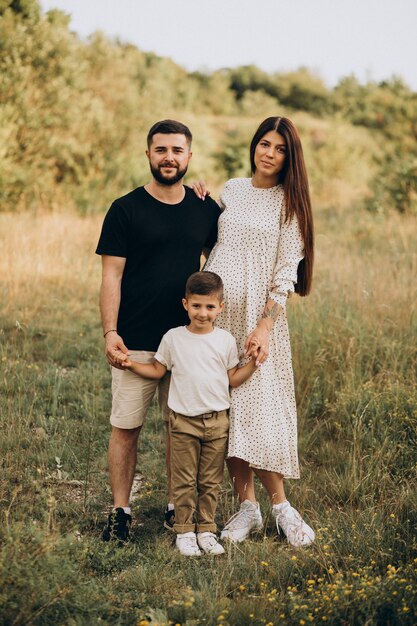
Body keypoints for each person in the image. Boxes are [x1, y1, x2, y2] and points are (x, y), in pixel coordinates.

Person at [96, 120, 221, 543]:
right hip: (135, 340)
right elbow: (111, 276)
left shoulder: (205, 209)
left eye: (177, 150)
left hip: (189, 342)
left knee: (180, 428)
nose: (169, 157)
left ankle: (176, 507)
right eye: (161, 149)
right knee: (126, 426)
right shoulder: (125, 209)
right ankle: (120, 511)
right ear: (148, 154)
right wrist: (111, 332)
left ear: (189, 156)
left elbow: (228, 256)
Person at [193, 116, 315, 547]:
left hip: (257, 321)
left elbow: (284, 276)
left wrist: (264, 326)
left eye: (280, 148)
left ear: (289, 157)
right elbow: (215, 242)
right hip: (218, 312)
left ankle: (281, 507)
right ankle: (248, 508)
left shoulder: (290, 203)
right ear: (254, 146)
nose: (269, 153)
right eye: (264, 143)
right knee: (224, 408)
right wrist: (201, 200)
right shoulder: (235, 189)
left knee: (259, 408)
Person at [114, 271, 258, 556]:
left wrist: (254, 363)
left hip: (217, 422)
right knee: (183, 480)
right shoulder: (174, 338)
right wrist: (129, 364)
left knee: (210, 481)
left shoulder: (225, 340)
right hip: (183, 422)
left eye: (209, 307)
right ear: (185, 304)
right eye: (196, 306)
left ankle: (206, 529)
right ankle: (183, 531)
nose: (202, 313)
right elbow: (157, 370)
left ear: (220, 307)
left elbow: (232, 379)